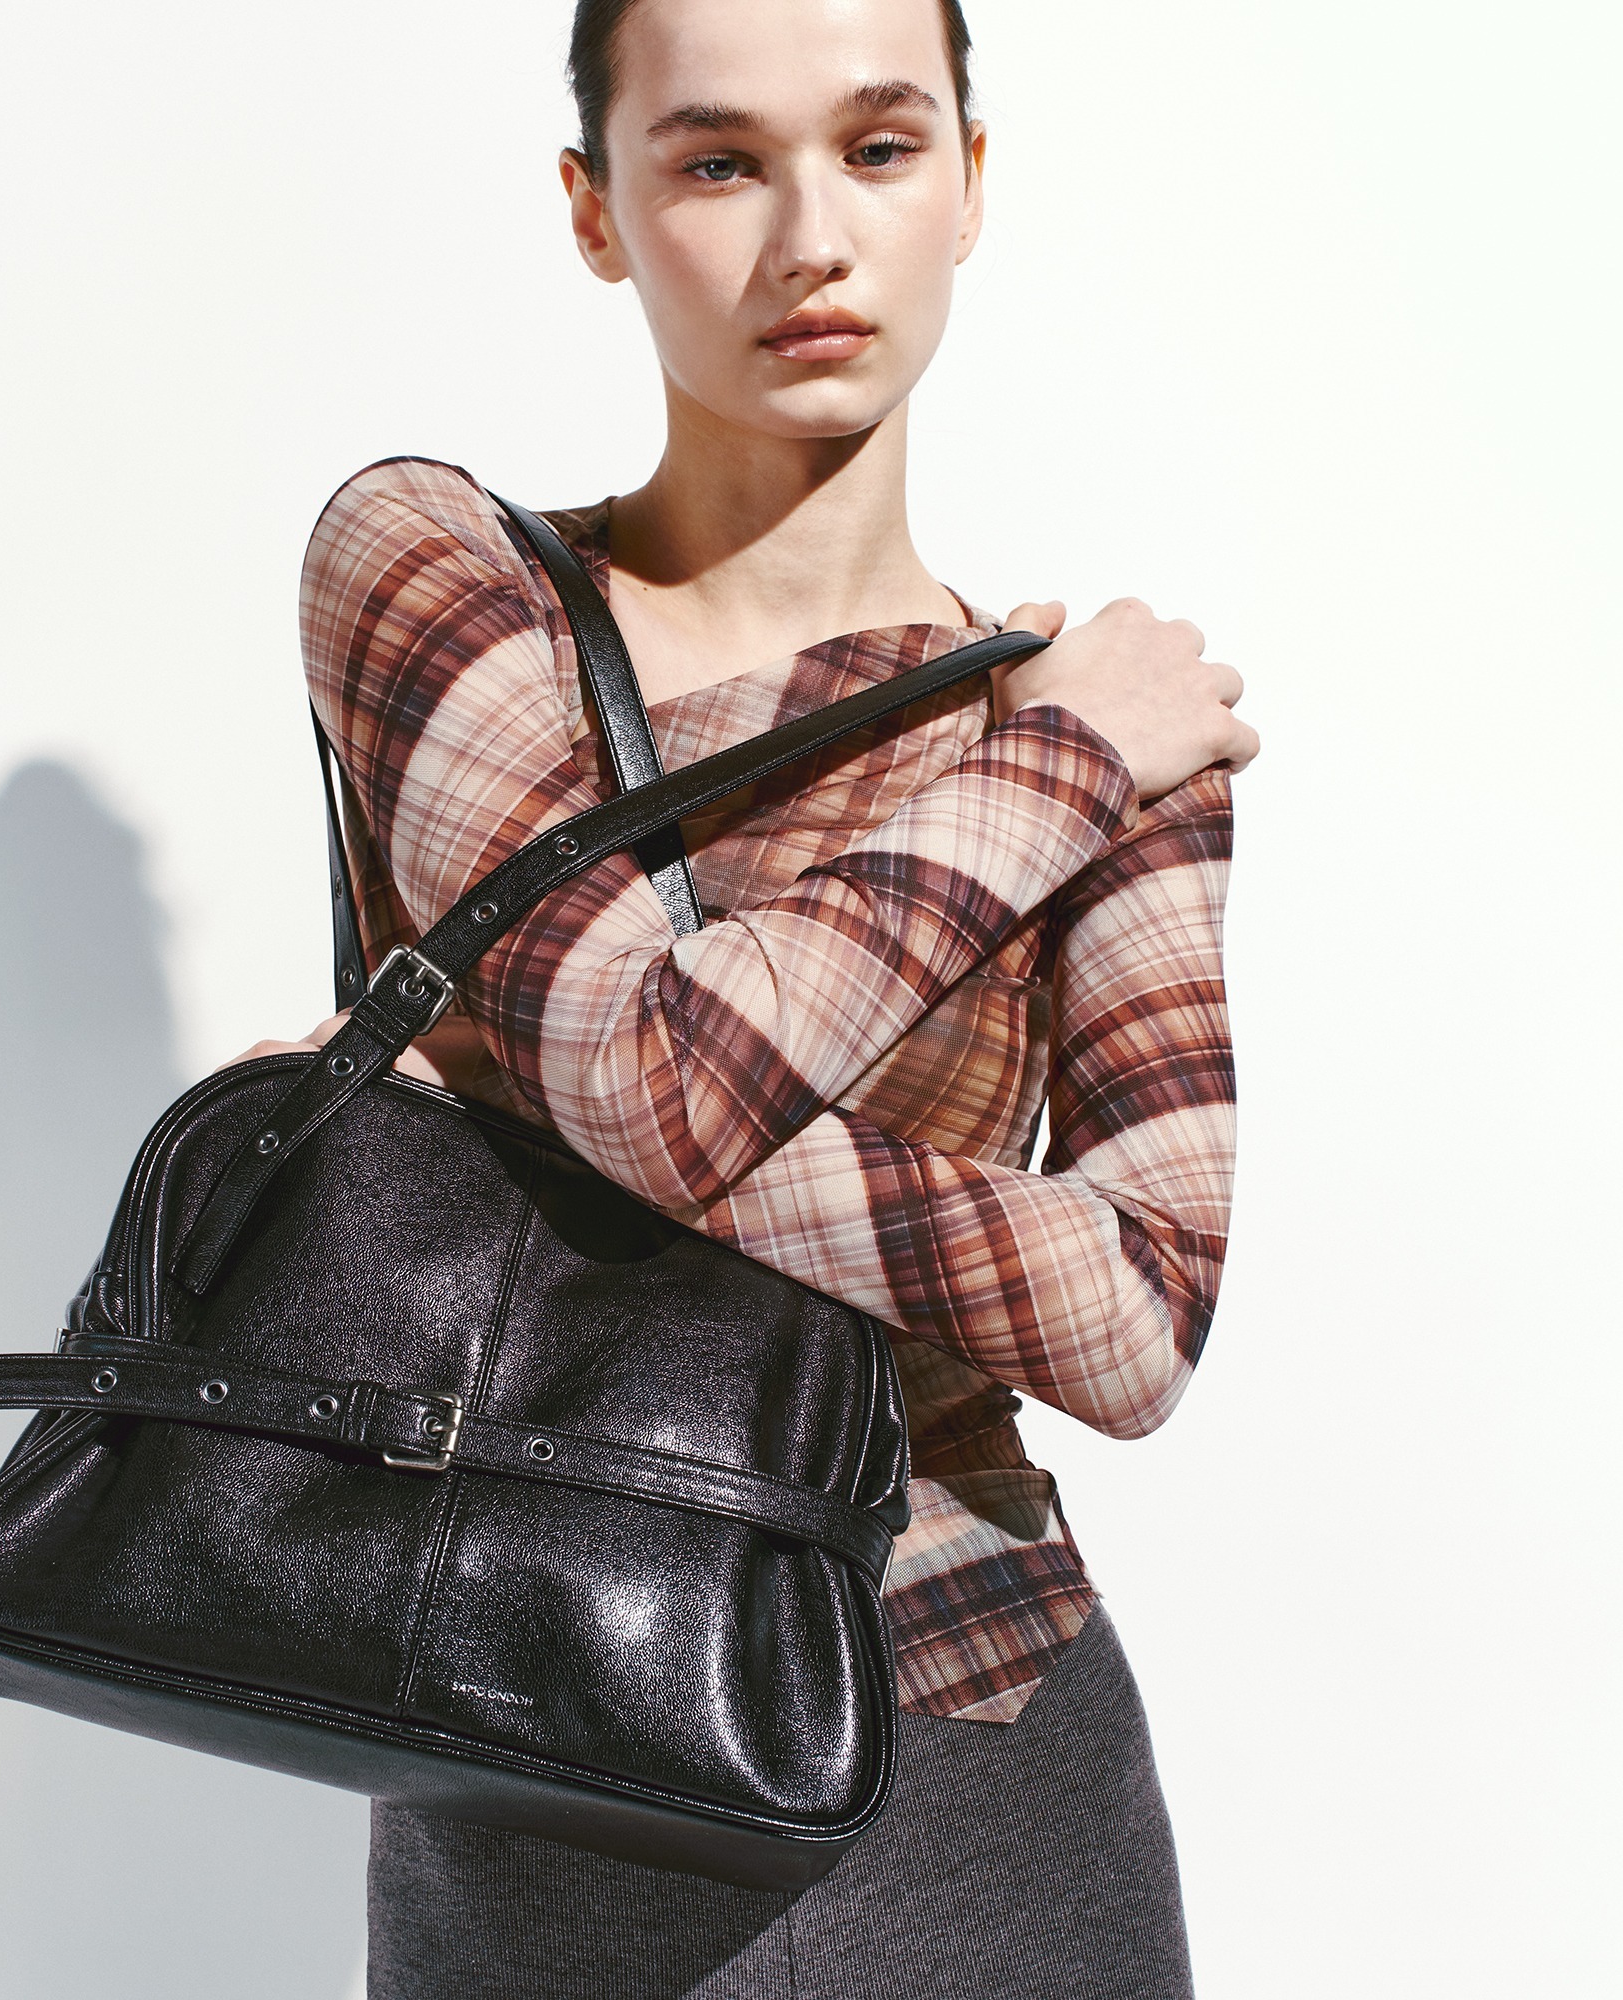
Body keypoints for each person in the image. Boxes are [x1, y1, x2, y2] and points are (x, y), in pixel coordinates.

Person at [238, 0, 1256, 1991]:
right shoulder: (444, 575)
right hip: (507, 1702)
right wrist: (1044, 775)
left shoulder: (1121, 725)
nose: (811, 236)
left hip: (974, 1726)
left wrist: (493, 1109)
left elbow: (1136, 1318)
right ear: (594, 210)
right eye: (716, 161)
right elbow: (649, 1083)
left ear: (970, 180)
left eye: (878, 148)